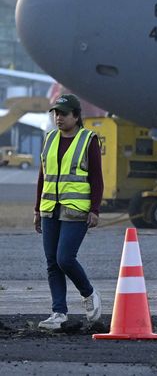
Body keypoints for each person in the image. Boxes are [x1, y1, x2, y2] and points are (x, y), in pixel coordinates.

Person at [34, 94, 103, 330]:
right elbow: (43, 176)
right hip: (49, 208)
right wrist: (37, 209)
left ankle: (89, 293)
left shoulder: (88, 139)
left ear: (76, 115)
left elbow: (96, 177)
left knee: (65, 258)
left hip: (76, 210)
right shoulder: (50, 138)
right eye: (55, 113)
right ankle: (58, 313)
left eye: (63, 113)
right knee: (52, 262)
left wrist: (95, 209)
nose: (58, 117)